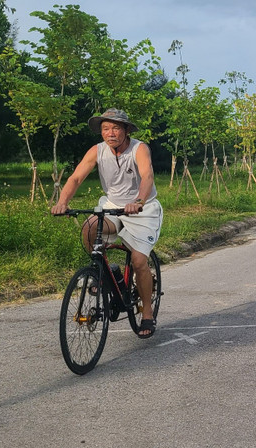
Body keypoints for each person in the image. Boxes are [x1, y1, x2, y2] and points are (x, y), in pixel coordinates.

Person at [51, 108, 163, 339]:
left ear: (126, 130)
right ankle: (103, 273)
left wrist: (139, 200)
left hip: (142, 210)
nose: (110, 133)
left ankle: (148, 314)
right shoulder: (97, 151)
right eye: (105, 128)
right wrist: (62, 202)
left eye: (115, 128)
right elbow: (76, 178)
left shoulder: (139, 149)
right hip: (112, 206)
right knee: (90, 227)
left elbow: (147, 176)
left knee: (139, 261)